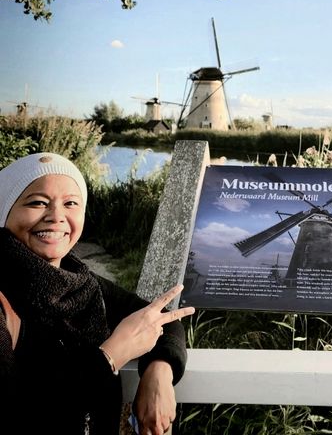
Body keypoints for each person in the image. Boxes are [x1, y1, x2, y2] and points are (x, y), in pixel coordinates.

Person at [0, 152, 196, 434]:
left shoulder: (82, 284)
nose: (56, 217)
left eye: (70, 203)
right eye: (37, 202)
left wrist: (160, 370)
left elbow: (163, 319)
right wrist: (113, 355)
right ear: (5, 211)